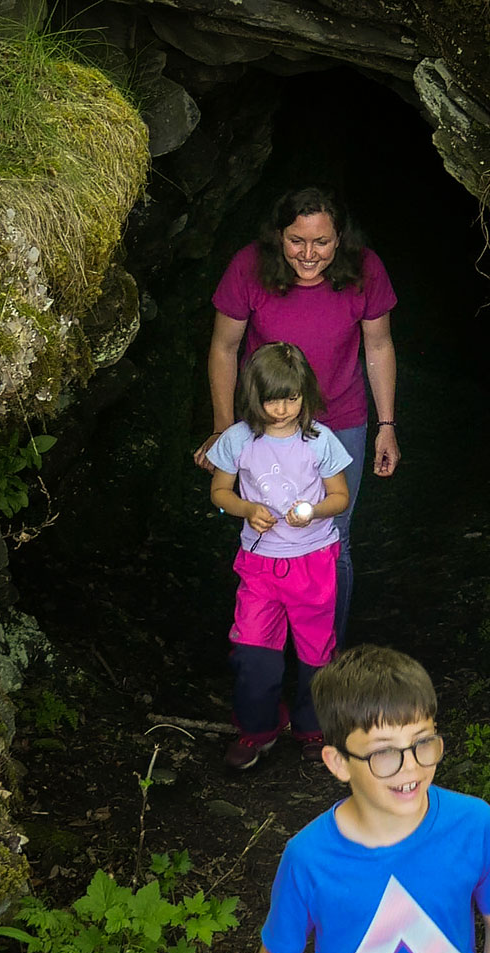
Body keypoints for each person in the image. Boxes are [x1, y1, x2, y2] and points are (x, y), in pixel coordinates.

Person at [258, 645, 490, 953]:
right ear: (338, 763)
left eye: (423, 742)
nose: (411, 768)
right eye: (384, 752)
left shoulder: (473, 825)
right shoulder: (308, 858)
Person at [193, 187, 399, 649]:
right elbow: (224, 348)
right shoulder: (249, 266)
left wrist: (386, 425)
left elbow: (379, 345)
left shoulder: (365, 269)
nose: (308, 254)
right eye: (296, 241)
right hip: (263, 424)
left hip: (340, 419)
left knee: (334, 539)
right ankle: (264, 646)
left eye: (321, 243)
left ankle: (325, 656)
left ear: (340, 239)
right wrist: (224, 430)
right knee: (263, 528)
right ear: (278, 237)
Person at [206, 343, 353, 769]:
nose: (283, 409)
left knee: (315, 652)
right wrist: (247, 509)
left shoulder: (320, 440)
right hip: (259, 562)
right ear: (254, 396)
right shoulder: (237, 439)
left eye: (292, 398)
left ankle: (313, 727)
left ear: (304, 393)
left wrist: (314, 511)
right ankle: (257, 730)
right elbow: (219, 492)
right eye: (272, 399)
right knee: (253, 649)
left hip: (314, 560)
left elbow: (340, 497)